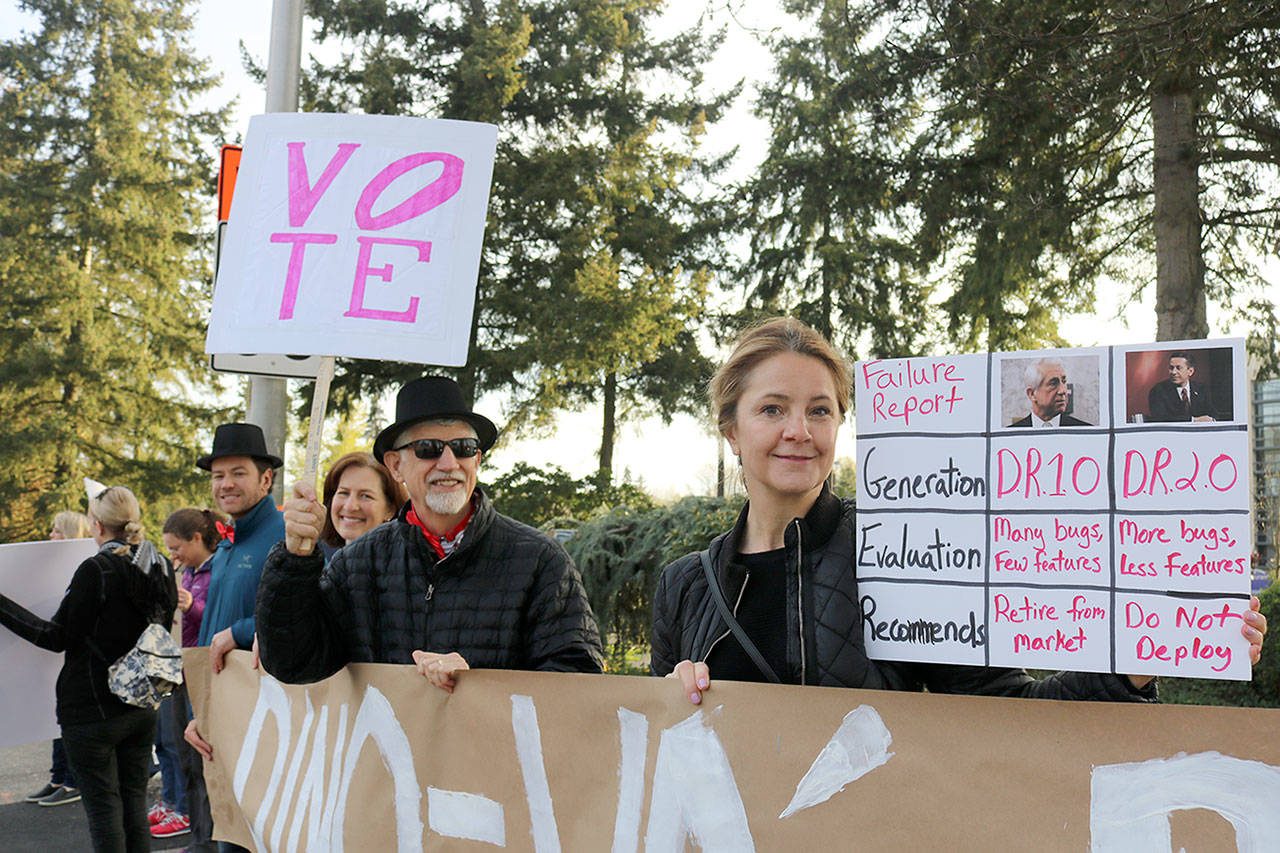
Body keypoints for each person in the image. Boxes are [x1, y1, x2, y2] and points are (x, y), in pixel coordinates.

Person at [652, 317, 1267, 705]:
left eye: (820, 410)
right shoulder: (684, 585)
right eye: (772, 410)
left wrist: (1133, 665)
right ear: (730, 429)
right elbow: (656, 756)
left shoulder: (902, 549)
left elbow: (1006, 709)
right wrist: (671, 704)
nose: (799, 431)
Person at [255, 375, 604, 692]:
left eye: (464, 448)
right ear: (395, 466)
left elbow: (577, 680)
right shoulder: (358, 563)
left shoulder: (539, 559)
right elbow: (293, 663)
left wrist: (476, 680)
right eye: (428, 450)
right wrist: (295, 562)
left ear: (477, 460)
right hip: (389, 763)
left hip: (491, 761)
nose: (449, 464)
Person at [0, 486, 177, 852]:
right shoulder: (157, 563)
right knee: (132, 805)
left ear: (96, 524)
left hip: (91, 709)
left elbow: (56, 636)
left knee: (103, 813)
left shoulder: (96, 569)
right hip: (142, 704)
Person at [182, 423, 285, 853]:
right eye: (217, 475)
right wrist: (198, 712)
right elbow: (208, 641)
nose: (225, 484)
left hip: (269, 731)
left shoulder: (284, 537)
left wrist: (244, 631)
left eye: (238, 473)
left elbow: (299, 619)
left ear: (266, 478)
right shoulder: (225, 547)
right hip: (220, 730)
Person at [148, 508, 222, 841]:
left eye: (176, 547)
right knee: (173, 744)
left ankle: (195, 822)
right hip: (179, 669)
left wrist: (191, 604)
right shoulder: (187, 570)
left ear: (197, 539)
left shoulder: (216, 569)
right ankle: (183, 812)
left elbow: (217, 619)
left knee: (194, 751)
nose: (172, 555)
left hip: (204, 671)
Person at [25, 510, 92, 808]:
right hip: (57, 652)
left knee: (67, 719)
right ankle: (58, 777)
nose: (50, 536)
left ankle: (71, 781)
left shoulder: (85, 570)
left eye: (56, 531)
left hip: (74, 655)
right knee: (55, 719)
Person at [319, 451, 403, 558]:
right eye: (344, 493)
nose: (350, 506)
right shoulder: (315, 561)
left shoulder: (407, 568)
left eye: (365, 496)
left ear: (390, 510)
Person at [1009, 358, 1091, 427]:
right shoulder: (1011, 434)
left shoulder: (1085, 431)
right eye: (1053, 384)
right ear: (1032, 393)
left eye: (1064, 381)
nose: (1063, 391)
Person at [1148, 351, 1218, 422]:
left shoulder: (1201, 389)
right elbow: (1161, 418)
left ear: (1190, 371)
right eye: (1171, 368)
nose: (1173, 372)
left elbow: (1214, 414)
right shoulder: (1158, 391)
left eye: (1178, 368)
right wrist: (1194, 420)